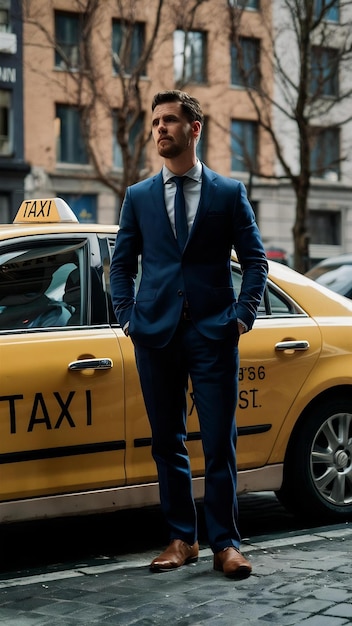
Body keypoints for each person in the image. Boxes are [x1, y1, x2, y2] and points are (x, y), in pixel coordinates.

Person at [110, 90, 268, 579]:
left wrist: (242, 315)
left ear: (194, 129)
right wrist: (128, 318)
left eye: (170, 120)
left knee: (220, 440)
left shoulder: (227, 192)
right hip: (154, 334)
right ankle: (182, 538)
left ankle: (225, 543)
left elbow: (256, 261)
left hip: (213, 332)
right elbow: (121, 266)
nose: (160, 128)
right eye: (155, 121)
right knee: (167, 440)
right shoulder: (138, 196)